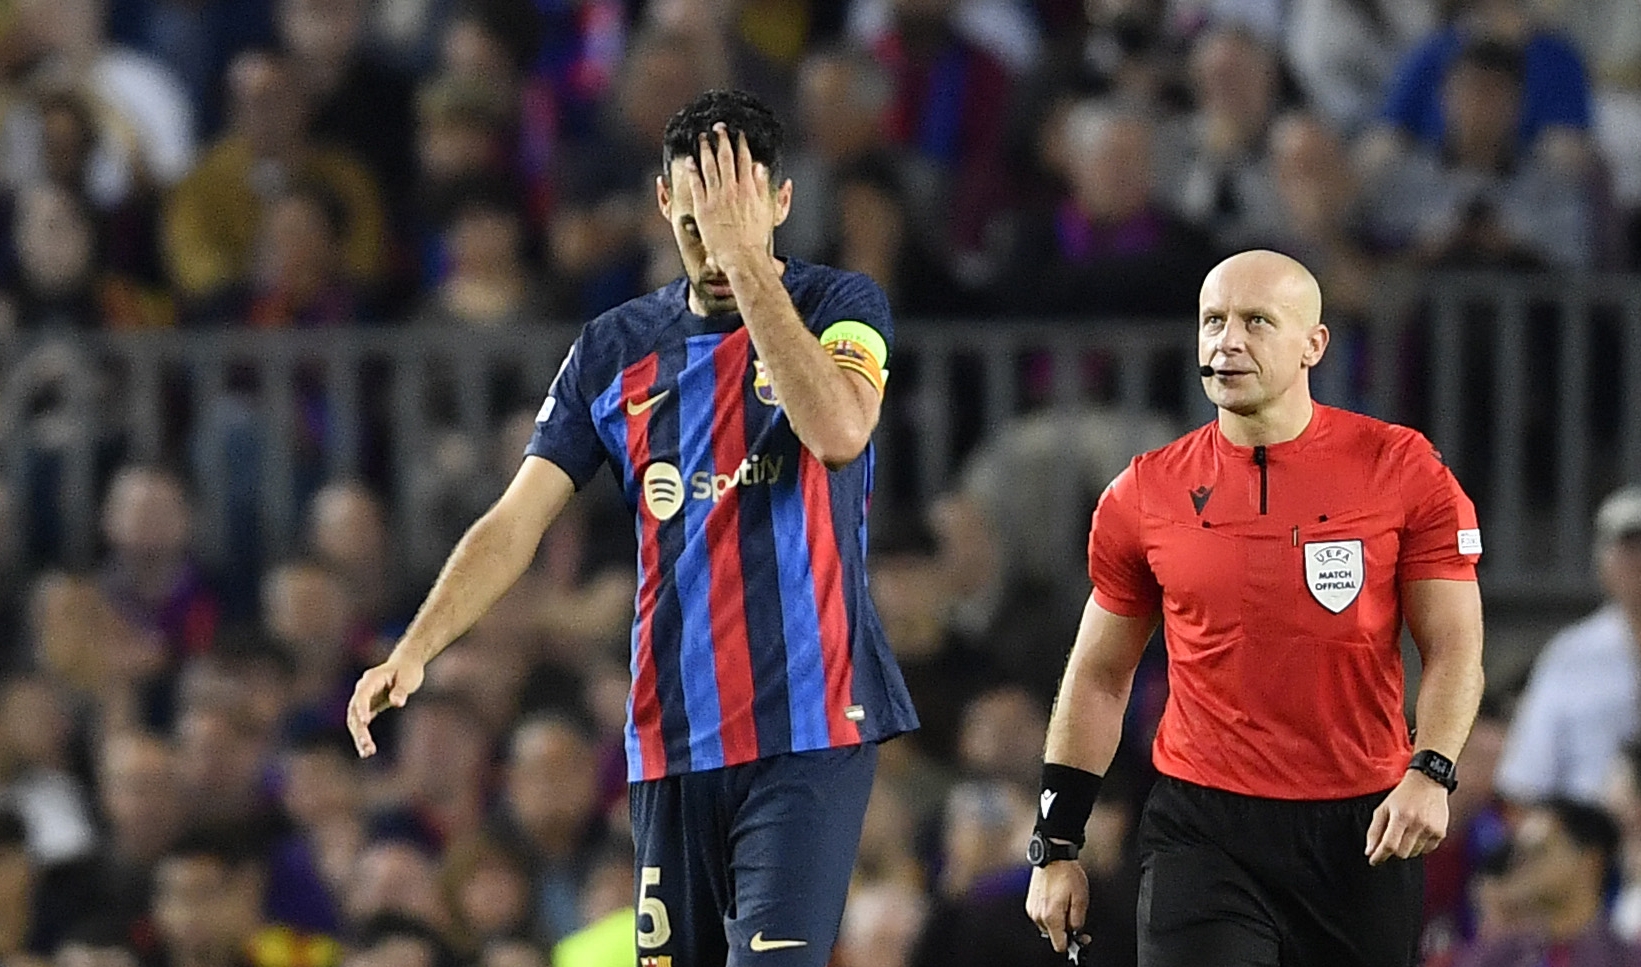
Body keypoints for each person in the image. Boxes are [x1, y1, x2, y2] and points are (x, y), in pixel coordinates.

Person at [347, 88, 919, 966]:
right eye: (695, 227)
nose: (714, 251)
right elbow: (515, 518)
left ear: (780, 202)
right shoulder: (614, 348)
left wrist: (751, 270)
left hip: (810, 727)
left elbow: (839, 432)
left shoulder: (842, 304)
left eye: (734, 222)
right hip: (672, 733)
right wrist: (416, 646)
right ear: (662, 202)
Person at [1025, 249, 1487, 966]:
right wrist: (1054, 845)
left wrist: (1430, 771)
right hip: (1203, 828)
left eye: (1255, 321)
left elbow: (1455, 648)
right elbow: (1097, 675)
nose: (1225, 341)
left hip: (1361, 830)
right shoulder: (1143, 493)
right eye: (1212, 321)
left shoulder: (1401, 469)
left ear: (1313, 344)